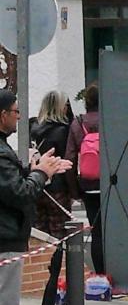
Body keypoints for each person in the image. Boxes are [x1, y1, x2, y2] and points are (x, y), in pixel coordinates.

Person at [0, 90, 72, 305]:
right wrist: (41, 173)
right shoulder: (0, 152)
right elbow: (19, 193)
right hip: (5, 238)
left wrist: (36, 170)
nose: (19, 116)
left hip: (7, 236)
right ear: (2, 114)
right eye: (15, 110)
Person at [65, 85, 103, 274]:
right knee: (112, 229)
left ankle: (102, 275)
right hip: (110, 184)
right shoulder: (109, 120)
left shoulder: (78, 124)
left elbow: (70, 158)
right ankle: (117, 275)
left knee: (96, 231)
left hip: (88, 184)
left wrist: (75, 191)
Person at [30, 91, 72, 238]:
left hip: (37, 184)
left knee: (40, 233)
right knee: (59, 232)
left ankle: (44, 261)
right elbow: (68, 159)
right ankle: (58, 261)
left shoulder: (32, 128)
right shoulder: (63, 130)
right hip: (57, 188)